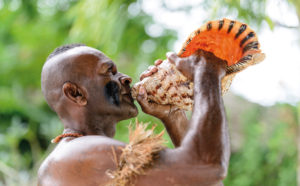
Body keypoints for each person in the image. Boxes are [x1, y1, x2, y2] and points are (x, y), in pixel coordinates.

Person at [38, 44, 230, 186]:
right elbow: (207, 167)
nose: (125, 78)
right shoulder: (79, 153)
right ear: (76, 94)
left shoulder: (91, 155)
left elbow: (205, 179)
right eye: (108, 72)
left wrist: (173, 116)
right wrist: (206, 73)